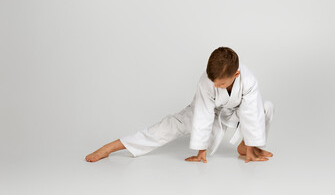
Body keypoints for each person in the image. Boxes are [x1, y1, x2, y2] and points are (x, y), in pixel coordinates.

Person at [85, 47, 274, 163]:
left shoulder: (248, 80)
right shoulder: (206, 82)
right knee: (170, 125)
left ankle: (247, 147)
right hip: (210, 110)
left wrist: (252, 143)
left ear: (236, 74)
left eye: (222, 84)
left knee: (265, 107)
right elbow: (203, 115)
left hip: (235, 112)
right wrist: (201, 150)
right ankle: (111, 147)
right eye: (214, 82)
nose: (216, 86)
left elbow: (251, 112)